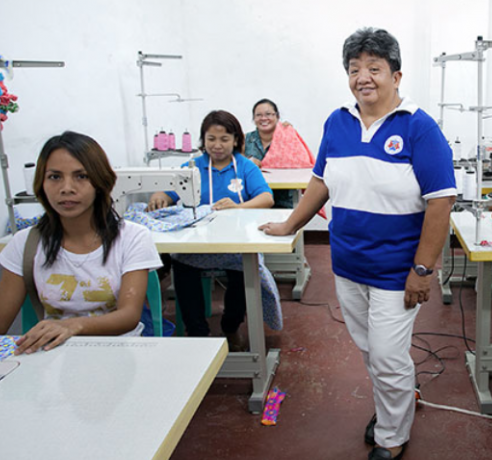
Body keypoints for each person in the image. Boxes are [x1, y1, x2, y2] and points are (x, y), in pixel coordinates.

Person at [259, 28, 455, 460]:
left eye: (374, 68)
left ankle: (392, 434)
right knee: (374, 350)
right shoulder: (338, 122)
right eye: (354, 69)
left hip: (396, 271)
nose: (363, 77)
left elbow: (440, 202)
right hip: (347, 265)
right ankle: (399, 399)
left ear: (396, 75)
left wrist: (423, 270)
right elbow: (320, 181)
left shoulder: (419, 128)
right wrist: (290, 223)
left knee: (386, 356)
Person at [0, 131, 163, 353]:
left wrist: (71, 326)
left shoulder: (132, 238)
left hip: (120, 352)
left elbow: (128, 316)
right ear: (41, 183)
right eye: (55, 177)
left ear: (100, 182)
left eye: (81, 176)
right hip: (52, 355)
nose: (67, 188)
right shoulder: (24, 244)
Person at [149, 110, 274, 350]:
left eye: (224, 139)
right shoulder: (191, 168)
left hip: (236, 244)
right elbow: (169, 191)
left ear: (236, 140)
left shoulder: (245, 168)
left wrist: (238, 206)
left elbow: (266, 198)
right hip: (196, 245)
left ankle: (230, 325)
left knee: (244, 270)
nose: (217, 145)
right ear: (203, 140)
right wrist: (159, 196)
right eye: (211, 139)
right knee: (182, 266)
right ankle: (198, 333)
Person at [244, 98, 300, 208]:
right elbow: (235, 162)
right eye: (258, 115)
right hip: (254, 198)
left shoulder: (287, 137)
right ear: (254, 119)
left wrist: (290, 134)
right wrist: (249, 162)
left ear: (277, 116)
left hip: (283, 198)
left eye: (268, 114)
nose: (264, 118)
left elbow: (299, 163)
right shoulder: (245, 139)